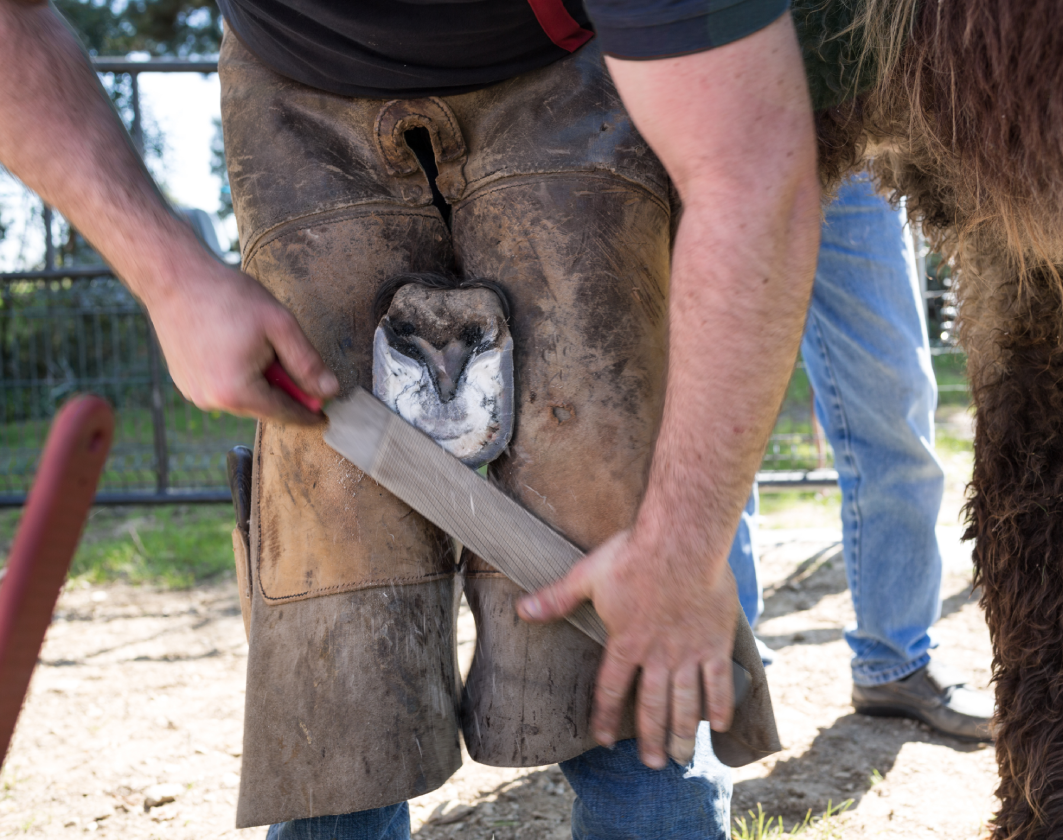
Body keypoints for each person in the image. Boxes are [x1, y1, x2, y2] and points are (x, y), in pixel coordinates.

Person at [0, 1, 821, 837]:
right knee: (334, 620)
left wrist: (680, 547)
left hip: (562, 69)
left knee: (614, 575)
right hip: (297, 85)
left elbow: (751, 173)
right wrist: (166, 272)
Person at [728, 173, 993, 741]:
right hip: (720, 135)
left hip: (856, 163)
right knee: (720, 419)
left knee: (896, 401)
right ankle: (730, 672)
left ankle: (897, 661)